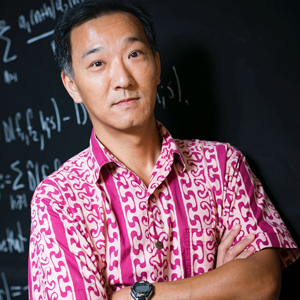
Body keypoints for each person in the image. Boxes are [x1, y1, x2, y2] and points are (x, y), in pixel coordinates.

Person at [28, 1, 299, 299]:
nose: (122, 80)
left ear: (156, 66)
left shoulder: (222, 165)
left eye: (134, 55)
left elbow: (263, 282)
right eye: (97, 63)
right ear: (72, 86)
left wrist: (135, 295)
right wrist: (219, 286)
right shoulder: (59, 198)